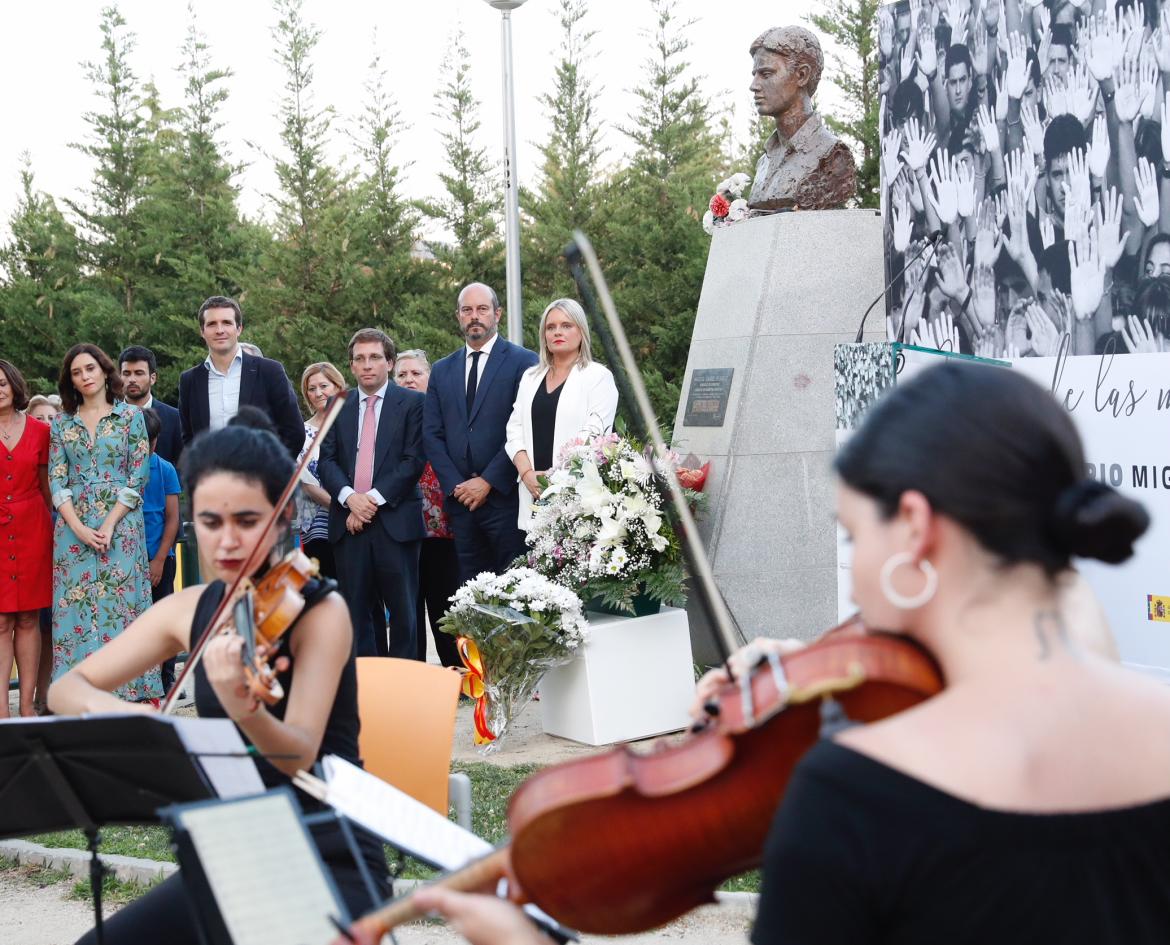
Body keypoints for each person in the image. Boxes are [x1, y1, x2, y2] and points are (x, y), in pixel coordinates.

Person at [336, 363, 1167, 945]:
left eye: (854, 535)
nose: (859, 569)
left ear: (914, 527)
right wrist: (817, 659)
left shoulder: (855, 795)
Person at [50, 409, 390, 944]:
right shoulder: (189, 610)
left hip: (324, 844)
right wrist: (142, 721)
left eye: (247, 521)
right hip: (235, 847)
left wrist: (245, 709)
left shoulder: (318, 611)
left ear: (282, 519)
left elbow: (297, 753)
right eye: (211, 522)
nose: (227, 541)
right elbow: (64, 690)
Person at [50, 344, 159, 700]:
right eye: (77, 372)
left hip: (122, 526)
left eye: (90, 368)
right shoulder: (61, 424)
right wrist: (78, 528)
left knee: (124, 605)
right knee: (74, 612)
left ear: (104, 370)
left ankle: (131, 694)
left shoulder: (131, 417)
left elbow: (137, 476)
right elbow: (57, 481)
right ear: (71, 381)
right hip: (72, 529)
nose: (85, 376)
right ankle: (76, 694)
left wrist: (110, 523)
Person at [317, 329, 426, 659]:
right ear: (351, 366)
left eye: (375, 357)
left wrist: (371, 501)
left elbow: (413, 460)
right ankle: (367, 689)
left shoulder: (413, 404)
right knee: (358, 614)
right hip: (349, 525)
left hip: (396, 522)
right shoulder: (340, 404)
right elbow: (327, 460)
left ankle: (404, 692)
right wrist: (351, 499)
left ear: (390, 363)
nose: (367, 365)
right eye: (359, 359)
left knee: (404, 615)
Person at [422, 283, 539, 584]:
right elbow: (432, 435)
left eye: (482, 309)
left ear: (497, 314)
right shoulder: (442, 369)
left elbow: (523, 428)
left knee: (516, 591)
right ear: (458, 316)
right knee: (471, 600)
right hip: (461, 505)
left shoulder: (523, 361)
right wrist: (457, 486)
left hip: (506, 500)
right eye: (467, 310)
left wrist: (487, 481)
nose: (475, 316)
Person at [504, 299, 618, 529]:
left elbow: (592, 436)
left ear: (581, 331)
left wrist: (553, 479)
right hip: (532, 492)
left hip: (577, 496)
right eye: (551, 327)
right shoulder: (530, 377)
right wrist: (527, 473)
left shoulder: (598, 377)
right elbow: (514, 429)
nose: (558, 331)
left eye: (567, 325)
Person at [177, 295, 304, 460]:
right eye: (212, 324)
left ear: (239, 328)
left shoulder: (269, 371)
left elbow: (294, 431)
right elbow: (189, 438)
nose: (220, 330)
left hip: (261, 481)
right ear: (202, 331)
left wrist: (272, 473)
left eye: (227, 322)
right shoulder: (190, 380)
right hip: (212, 480)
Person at [395, 350, 460, 667]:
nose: (408, 379)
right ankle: (412, 676)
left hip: (444, 526)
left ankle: (459, 676)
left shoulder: (446, 414)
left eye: (415, 373)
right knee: (407, 609)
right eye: (402, 375)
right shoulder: (388, 418)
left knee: (446, 604)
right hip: (401, 528)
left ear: (429, 377)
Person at [0, 360, 52, 717]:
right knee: (1, 620)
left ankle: (28, 706)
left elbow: (49, 489)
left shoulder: (40, 430)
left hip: (33, 527)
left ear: (14, 385)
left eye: (2, 382)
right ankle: (2, 705)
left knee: (30, 619)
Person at [140, 408, 181, 692]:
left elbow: (172, 518)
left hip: (160, 558)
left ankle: (166, 679)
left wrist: (158, 560)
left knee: (163, 620)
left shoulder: (165, 468)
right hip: (127, 560)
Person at [297, 362, 347, 579]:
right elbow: (307, 485)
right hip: (319, 527)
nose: (318, 393)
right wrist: (344, 508)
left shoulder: (356, 424)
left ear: (337, 387)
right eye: (311, 388)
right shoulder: (301, 433)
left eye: (324, 386)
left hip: (360, 521)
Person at [26, 393, 60, 713]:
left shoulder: (65, 453)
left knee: (50, 625)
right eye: (40, 419)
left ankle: (45, 696)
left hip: (58, 538)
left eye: (52, 419)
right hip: (23, 537)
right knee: (26, 624)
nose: (46, 425)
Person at [119, 345, 183, 467]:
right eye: (126, 373)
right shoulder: (107, 417)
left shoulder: (174, 418)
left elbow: (182, 467)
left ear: (152, 378)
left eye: (139, 373)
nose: (132, 379)